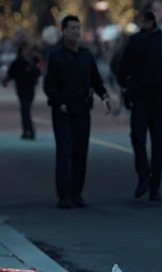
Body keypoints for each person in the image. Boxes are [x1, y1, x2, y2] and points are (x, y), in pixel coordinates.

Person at [43, 15, 115, 209]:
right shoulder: (56, 56)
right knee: (65, 152)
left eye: (78, 28)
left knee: (80, 152)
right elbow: (49, 85)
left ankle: (77, 193)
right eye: (72, 28)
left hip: (83, 109)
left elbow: (96, 80)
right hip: (64, 111)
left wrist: (105, 97)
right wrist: (59, 103)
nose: (76, 32)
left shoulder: (85, 55)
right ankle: (64, 195)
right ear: (64, 31)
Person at [117, 10, 162, 201]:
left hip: (147, 98)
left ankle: (148, 181)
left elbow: (122, 69)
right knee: (151, 141)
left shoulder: (141, 41)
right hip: (152, 98)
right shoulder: (160, 42)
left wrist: (125, 86)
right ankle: (150, 182)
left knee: (145, 139)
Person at [4, 41, 42, 140]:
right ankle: (27, 130)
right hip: (21, 88)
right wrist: (6, 81)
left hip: (30, 88)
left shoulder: (32, 61)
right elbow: (11, 73)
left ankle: (29, 130)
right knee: (24, 110)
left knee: (26, 110)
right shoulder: (18, 62)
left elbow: (38, 72)